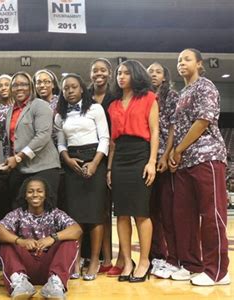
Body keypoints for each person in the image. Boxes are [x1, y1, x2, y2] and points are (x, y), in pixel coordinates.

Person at [168, 48, 230, 286]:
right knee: (185, 217)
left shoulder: (205, 86)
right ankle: (193, 265)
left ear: (199, 63)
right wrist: (174, 154)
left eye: (187, 59)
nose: (181, 63)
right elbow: (177, 126)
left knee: (212, 215)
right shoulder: (183, 92)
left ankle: (218, 271)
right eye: (179, 60)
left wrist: (179, 149)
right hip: (185, 162)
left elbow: (203, 121)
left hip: (207, 157)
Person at [107, 60, 159, 283]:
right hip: (119, 157)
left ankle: (145, 260)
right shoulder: (113, 105)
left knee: (141, 212)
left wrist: (151, 161)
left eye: (126, 73)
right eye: (119, 73)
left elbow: (155, 131)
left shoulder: (148, 98)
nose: (121, 76)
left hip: (140, 154)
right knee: (121, 212)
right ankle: (128, 261)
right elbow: (112, 141)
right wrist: (109, 168)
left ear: (136, 75)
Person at [55, 73, 110, 281]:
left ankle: (95, 259)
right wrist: (67, 159)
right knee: (75, 215)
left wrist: (95, 163)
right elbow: (60, 142)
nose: (70, 91)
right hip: (72, 163)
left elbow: (105, 138)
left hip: (94, 159)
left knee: (95, 213)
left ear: (81, 89)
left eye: (74, 87)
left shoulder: (95, 108)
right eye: (66, 88)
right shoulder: (60, 114)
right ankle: (76, 259)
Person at [0, 177, 82, 300]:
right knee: (6, 242)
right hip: (24, 268)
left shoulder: (55, 213)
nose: (35, 194)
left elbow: (77, 229)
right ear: (25, 195)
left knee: (69, 240)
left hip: (50, 267)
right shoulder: (18, 213)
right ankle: (19, 284)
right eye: (30, 191)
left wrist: (53, 238)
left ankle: (55, 283)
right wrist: (21, 241)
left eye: (39, 191)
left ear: (46, 194)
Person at [5, 71, 61, 208]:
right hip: (21, 169)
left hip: (44, 167)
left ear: (31, 87)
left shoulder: (40, 105)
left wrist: (18, 157)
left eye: (23, 84)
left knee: (45, 211)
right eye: (15, 85)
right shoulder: (10, 111)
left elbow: (43, 135)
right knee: (18, 209)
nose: (19, 88)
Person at [146, 62, 180, 279]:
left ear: (165, 77)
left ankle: (171, 257)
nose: (154, 75)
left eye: (158, 71)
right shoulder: (143, 98)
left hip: (163, 161)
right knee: (150, 212)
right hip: (146, 160)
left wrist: (166, 155)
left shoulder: (171, 97)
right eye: (150, 72)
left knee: (167, 211)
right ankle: (154, 255)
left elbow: (172, 129)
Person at [87, 58, 118, 275]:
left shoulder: (116, 96)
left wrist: (109, 166)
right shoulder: (84, 96)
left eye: (103, 70)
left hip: (110, 155)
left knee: (105, 211)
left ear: (110, 73)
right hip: (88, 155)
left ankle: (108, 258)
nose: (99, 73)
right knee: (92, 210)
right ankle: (91, 256)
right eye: (95, 70)